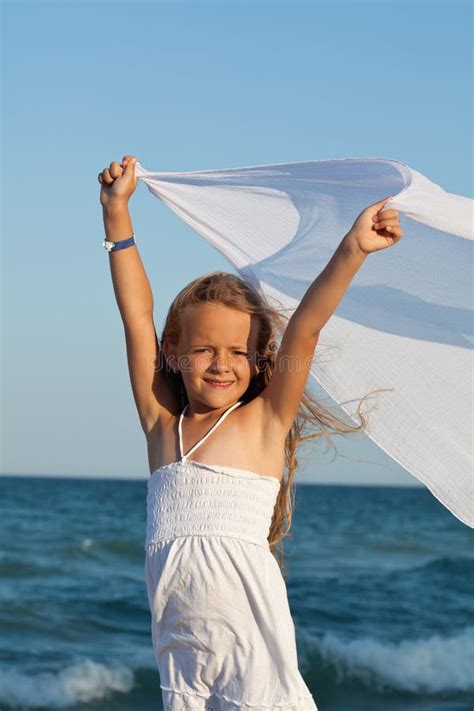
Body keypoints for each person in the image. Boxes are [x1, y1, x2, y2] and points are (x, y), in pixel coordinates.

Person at [98, 155, 402, 711]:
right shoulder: (162, 423)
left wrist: (353, 249)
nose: (221, 364)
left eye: (238, 352)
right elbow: (136, 316)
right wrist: (117, 215)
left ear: (258, 361)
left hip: (253, 657)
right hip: (183, 661)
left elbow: (306, 325)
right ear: (174, 352)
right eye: (204, 349)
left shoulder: (263, 421)